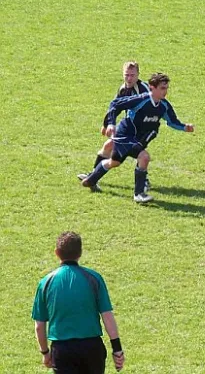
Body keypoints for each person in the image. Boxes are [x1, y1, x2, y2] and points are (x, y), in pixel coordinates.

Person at [80, 72, 194, 203]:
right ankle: (139, 194)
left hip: (137, 139)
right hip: (125, 135)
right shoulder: (141, 100)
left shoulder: (164, 105)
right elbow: (115, 104)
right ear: (152, 87)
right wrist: (111, 123)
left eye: (167, 88)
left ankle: (91, 180)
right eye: (162, 88)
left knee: (114, 162)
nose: (165, 91)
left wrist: (185, 127)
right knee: (144, 157)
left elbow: (172, 121)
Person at [31, 231, 125, 373]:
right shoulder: (94, 278)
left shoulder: (46, 282)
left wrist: (45, 353)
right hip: (92, 348)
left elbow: (39, 326)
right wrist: (117, 349)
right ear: (80, 253)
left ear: (56, 252)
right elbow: (107, 316)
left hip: (62, 350)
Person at [77, 61, 151, 192]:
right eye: (126, 75)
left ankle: (143, 182)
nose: (129, 78)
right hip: (129, 127)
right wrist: (107, 124)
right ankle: (93, 175)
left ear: (138, 75)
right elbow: (115, 106)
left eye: (132, 75)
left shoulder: (144, 90)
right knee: (108, 146)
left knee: (138, 153)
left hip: (142, 130)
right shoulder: (123, 88)